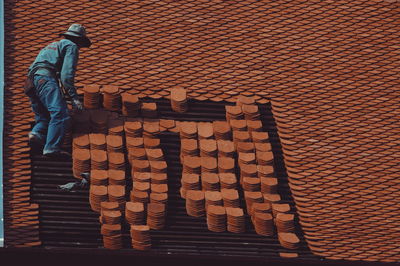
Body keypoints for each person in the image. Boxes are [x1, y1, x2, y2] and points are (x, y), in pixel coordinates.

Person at [26, 24, 91, 157]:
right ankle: (52, 147)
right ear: (78, 40)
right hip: (46, 79)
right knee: (60, 114)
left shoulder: (52, 45)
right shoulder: (71, 46)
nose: (79, 47)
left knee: (44, 117)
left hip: (32, 82)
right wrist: (74, 98)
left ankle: (36, 133)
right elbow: (66, 76)